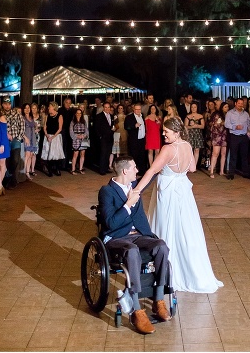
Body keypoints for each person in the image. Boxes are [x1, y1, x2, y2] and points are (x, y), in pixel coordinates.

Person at [132, 117, 224, 294]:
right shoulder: (187, 146)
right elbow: (192, 169)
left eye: (166, 131)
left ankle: (164, 270)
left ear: (177, 132)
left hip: (168, 194)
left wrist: (137, 191)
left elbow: (152, 170)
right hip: (183, 191)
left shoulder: (168, 149)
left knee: (166, 226)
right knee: (185, 228)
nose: (163, 134)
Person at [98, 157, 173, 334]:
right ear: (125, 171)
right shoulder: (107, 191)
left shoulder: (135, 187)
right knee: (132, 251)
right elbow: (110, 223)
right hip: (117, 238)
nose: (136, 170)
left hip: (138, 235)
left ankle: (159, 299)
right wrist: (128, 205)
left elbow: (151, 172)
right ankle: (136, 309)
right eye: (134, 168)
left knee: (161, 246)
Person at [224, 97, 250, 179]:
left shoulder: (246, 114)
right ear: (235, 104)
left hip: (244, 136)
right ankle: (231, 173)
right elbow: (226, 124)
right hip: (234, 136)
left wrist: (249, 133)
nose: (240, 105)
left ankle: (245, 173)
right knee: (233, 155)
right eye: (239, 103)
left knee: (244, 155)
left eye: (242, 103)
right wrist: (235, 127)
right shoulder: (229, 113)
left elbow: (249, 124)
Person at [3, 97, 25, 189]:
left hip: (16, 139)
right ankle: (10, 180)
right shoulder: (1, 115)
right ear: (3, 105)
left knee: (15, 160)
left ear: (11, 104)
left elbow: (22, 126)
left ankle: (9, 175)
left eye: (9, 104)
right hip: (5, 140)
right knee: (7, 160)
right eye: (5, 104)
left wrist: (19, 138)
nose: (7, 106)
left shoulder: (17, 114)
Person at [42, 101, 66, 176]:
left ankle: (57, 168)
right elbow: (45, 126)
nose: (48, 108)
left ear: (53, 107)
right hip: (48, 136)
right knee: (48, 153)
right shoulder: (47, 116)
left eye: (50, 106)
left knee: (55, 153)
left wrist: (53, 137)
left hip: (55, 136)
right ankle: (49, 169)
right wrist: (46, 134)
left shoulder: (59, 116)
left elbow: (60, 128)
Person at [125, 103, 148, 175]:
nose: (138, 111)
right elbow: (126, 127)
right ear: (133, 109)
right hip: (134, 140)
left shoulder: (142, 116)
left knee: (142, 155)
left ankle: (141, 171)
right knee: (134, 156)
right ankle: (133, 172)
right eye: (136, 109)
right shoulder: (129, 117)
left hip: (142, 139)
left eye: (139, 109)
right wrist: (134, 126)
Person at [207, 98, 227, 179]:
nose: (227, 108)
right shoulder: (216, 115)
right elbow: (214, 125)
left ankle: (221, 171)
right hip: (217, 136)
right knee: (215, 154)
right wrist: (222, 123)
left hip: (225, 136)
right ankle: (211, 171)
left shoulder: (227, 115)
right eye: (225, 107)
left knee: (223, 154)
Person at [95, 102, 117, 175]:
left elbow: (112, 126)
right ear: (103, 108)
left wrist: (114, 129)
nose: (107, 109)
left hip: (110, 137)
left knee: (108, 153)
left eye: (108, 107)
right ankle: (102, 170)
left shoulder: (111, 116)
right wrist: (100, 136)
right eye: (106, 107)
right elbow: (97, 127)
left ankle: (106, 167)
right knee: (103, 153)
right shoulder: (99, 116)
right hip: (103, 137)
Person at [184, 102, 204, 171]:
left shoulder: (200, 116)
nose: (193, 108)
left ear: (197, 108)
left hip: (197, 134)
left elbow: (203, 126)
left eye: (195, 107)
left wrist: (196, 125)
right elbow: (185, 126)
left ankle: (194, 166)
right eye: (192, 107)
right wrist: (191, 126)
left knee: (197, 149)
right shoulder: (188, 116)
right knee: (190, 150)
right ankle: (189, 166)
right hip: (190, 134)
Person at [70, 108, 89, 174]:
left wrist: (84, 136)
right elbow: (71, 132)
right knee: (75, 154)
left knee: (82, 154)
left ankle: (81, 168)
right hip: (76, 140)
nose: (78, 114)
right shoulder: (73, 122)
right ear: (75, 114)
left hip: (83, 140)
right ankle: (73, 169)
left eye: (80, 113)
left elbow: (86, 131)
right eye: (77, 113)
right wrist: (77, 136)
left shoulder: (84, 121)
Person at [24, 103, 40, 179]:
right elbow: (21, 130)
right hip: (26, 138)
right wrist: (25, 137)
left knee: (30, 155)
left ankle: (27, 172)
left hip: (32, 138)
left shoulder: (31, 118)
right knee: (27, 155)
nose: (27, 109)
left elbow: (35, 126)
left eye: (28, 108)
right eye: (25, 108)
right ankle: (23, 172)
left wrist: (36, 129)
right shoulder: (22, 118)